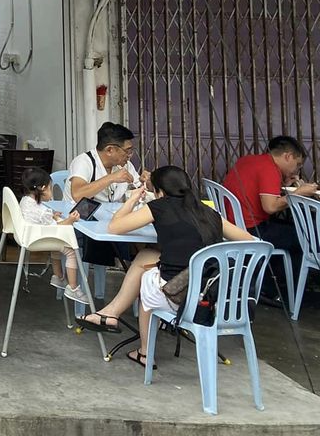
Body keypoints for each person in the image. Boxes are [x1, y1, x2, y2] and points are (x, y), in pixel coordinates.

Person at [76, 166, 254, 369]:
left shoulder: (159, 206)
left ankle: (144, 352)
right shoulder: (208, 212)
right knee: (146, 256)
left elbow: (115, 227)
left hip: (179, 293)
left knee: (147, 279)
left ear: (159, 192)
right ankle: (111, 314)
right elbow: (248, 240)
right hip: (212, 292)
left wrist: (133, 199)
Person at [223, 135, 318, 300]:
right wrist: (299, 193)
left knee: (290, 230)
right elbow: (270, 206)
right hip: (251, 230)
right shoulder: (270, 169)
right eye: (297, 164)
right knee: (305, 238)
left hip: (233, 225)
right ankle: (280, 292)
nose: (296, 170)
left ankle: (270, 285)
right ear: (287, 156)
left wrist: (285, 185)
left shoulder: (248, 160)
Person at [67, 121, 146, 268]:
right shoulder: (84, 162)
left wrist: (147, 183)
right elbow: (77, 194)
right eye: (127, 151)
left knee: (135, 232)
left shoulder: (125, 165)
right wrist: (111, 178)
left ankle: (124, 267)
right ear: (110, 150)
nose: (130, 155)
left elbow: (139, 187)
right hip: (81, 219)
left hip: (109, 220)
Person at [19, 167, 91, 305]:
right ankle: (73, 287)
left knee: (57, 247)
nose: (51, 192)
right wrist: (70, 220)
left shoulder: (26, 201)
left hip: (29, 235)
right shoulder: (42, 211)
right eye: (51, 188)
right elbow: (58, 228)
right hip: (37, 239)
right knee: (70, 250)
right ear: (43, 188)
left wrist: (52, 215)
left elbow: (35, 216)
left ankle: (58, 276)